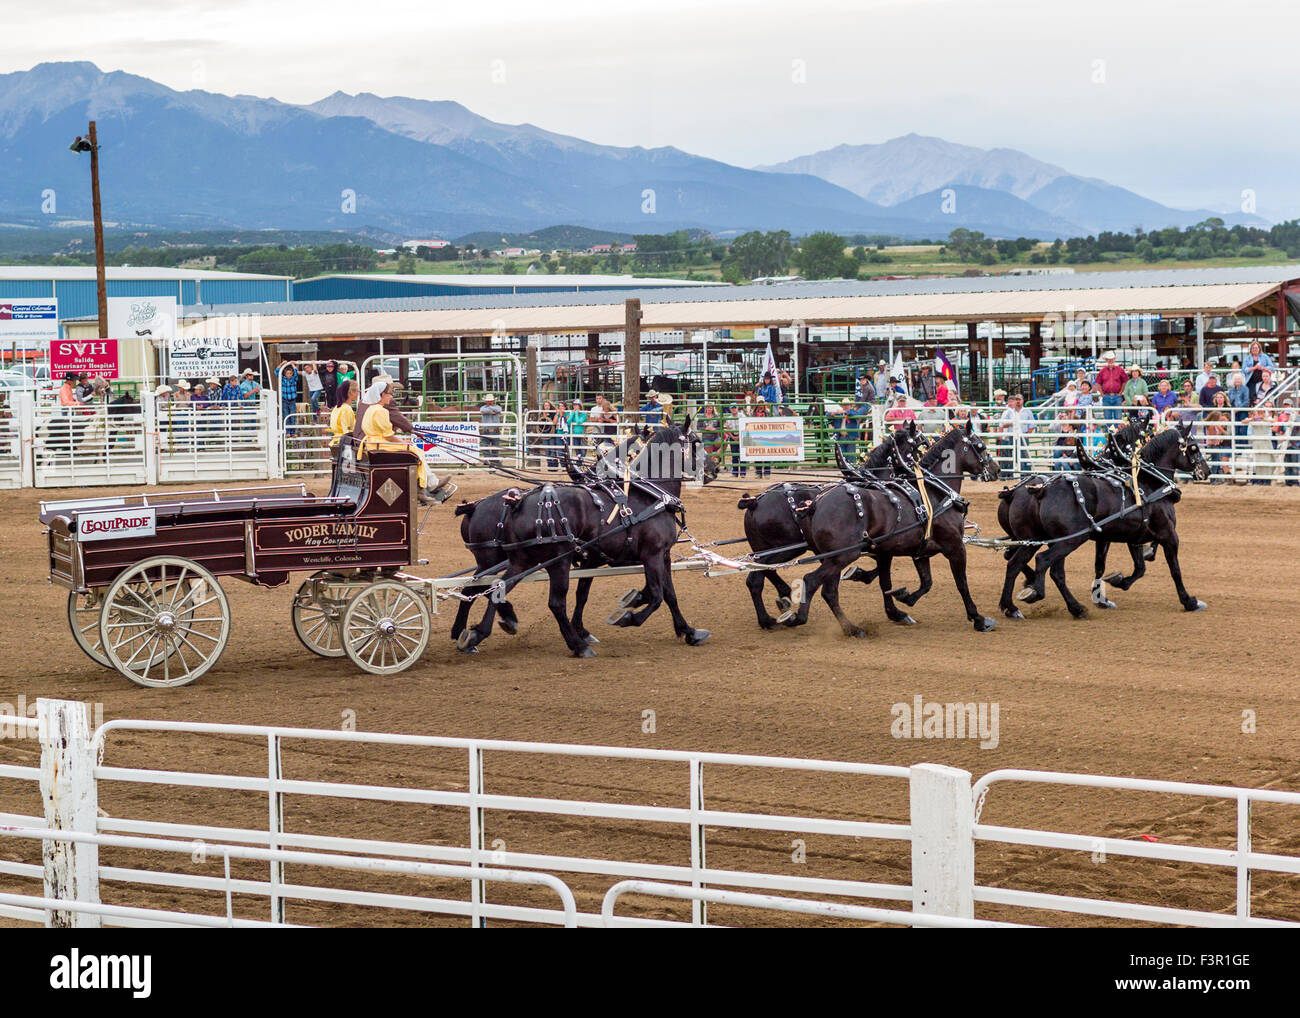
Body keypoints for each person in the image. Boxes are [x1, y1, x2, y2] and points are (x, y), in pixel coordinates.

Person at [355, 379, 454, 505]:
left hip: (371, 442)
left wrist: (400, 441)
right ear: (381, 395)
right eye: (389, 394)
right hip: (379, 444)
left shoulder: (370, 409)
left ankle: (425, 487)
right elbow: (388, 435)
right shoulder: (381, 411)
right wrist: (404, 443)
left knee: (411, 449)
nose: (391, 396)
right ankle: (427, 486)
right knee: (415, 451)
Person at [1094, 351, 1127, 421]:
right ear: (1106, 360)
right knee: (1107, 417)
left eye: (1112, 359)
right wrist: (1102, 394)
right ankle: (1109, 431)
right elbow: (1098, 383)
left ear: (1114, 359)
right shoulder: (1102, 371)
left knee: (1118, 417)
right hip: (1107, 396)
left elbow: (1125, 381)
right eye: (1109, 359)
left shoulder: (1120, 370)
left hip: (1117, 396)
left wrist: (1120, 392)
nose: (1110, 360)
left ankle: (1117, 431)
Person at [328, 379, 358, 455]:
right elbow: (348, 432)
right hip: (344, 445)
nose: (358, 393)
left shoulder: (337, 408)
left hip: (335, 442)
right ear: (351, 392)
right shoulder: (346, 409)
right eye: (357, 391)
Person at [478, 392, 503, 466]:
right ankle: (494, 461)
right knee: (484, 447)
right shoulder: (483, 408)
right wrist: (493, 411)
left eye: (490, 401)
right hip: (486, 431)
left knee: (495, 449)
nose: (489, 402)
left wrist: (490, 409)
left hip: (495, 430)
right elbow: (483, 411)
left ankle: (492, 462)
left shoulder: (497, 407)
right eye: (488, 401)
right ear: (486, 401)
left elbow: (498, 410)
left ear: (493, 401)